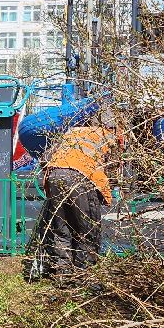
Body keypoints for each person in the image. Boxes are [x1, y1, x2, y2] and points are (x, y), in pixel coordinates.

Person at [36, 110, 122, 278]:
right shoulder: (110, 136)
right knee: (87, 229)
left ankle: (63, 273)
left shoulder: (72, 132)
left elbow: (45, 158)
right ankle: (83, 274)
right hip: (81, 178)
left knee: (61, 228)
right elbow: (112, 169)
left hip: (55, 175)